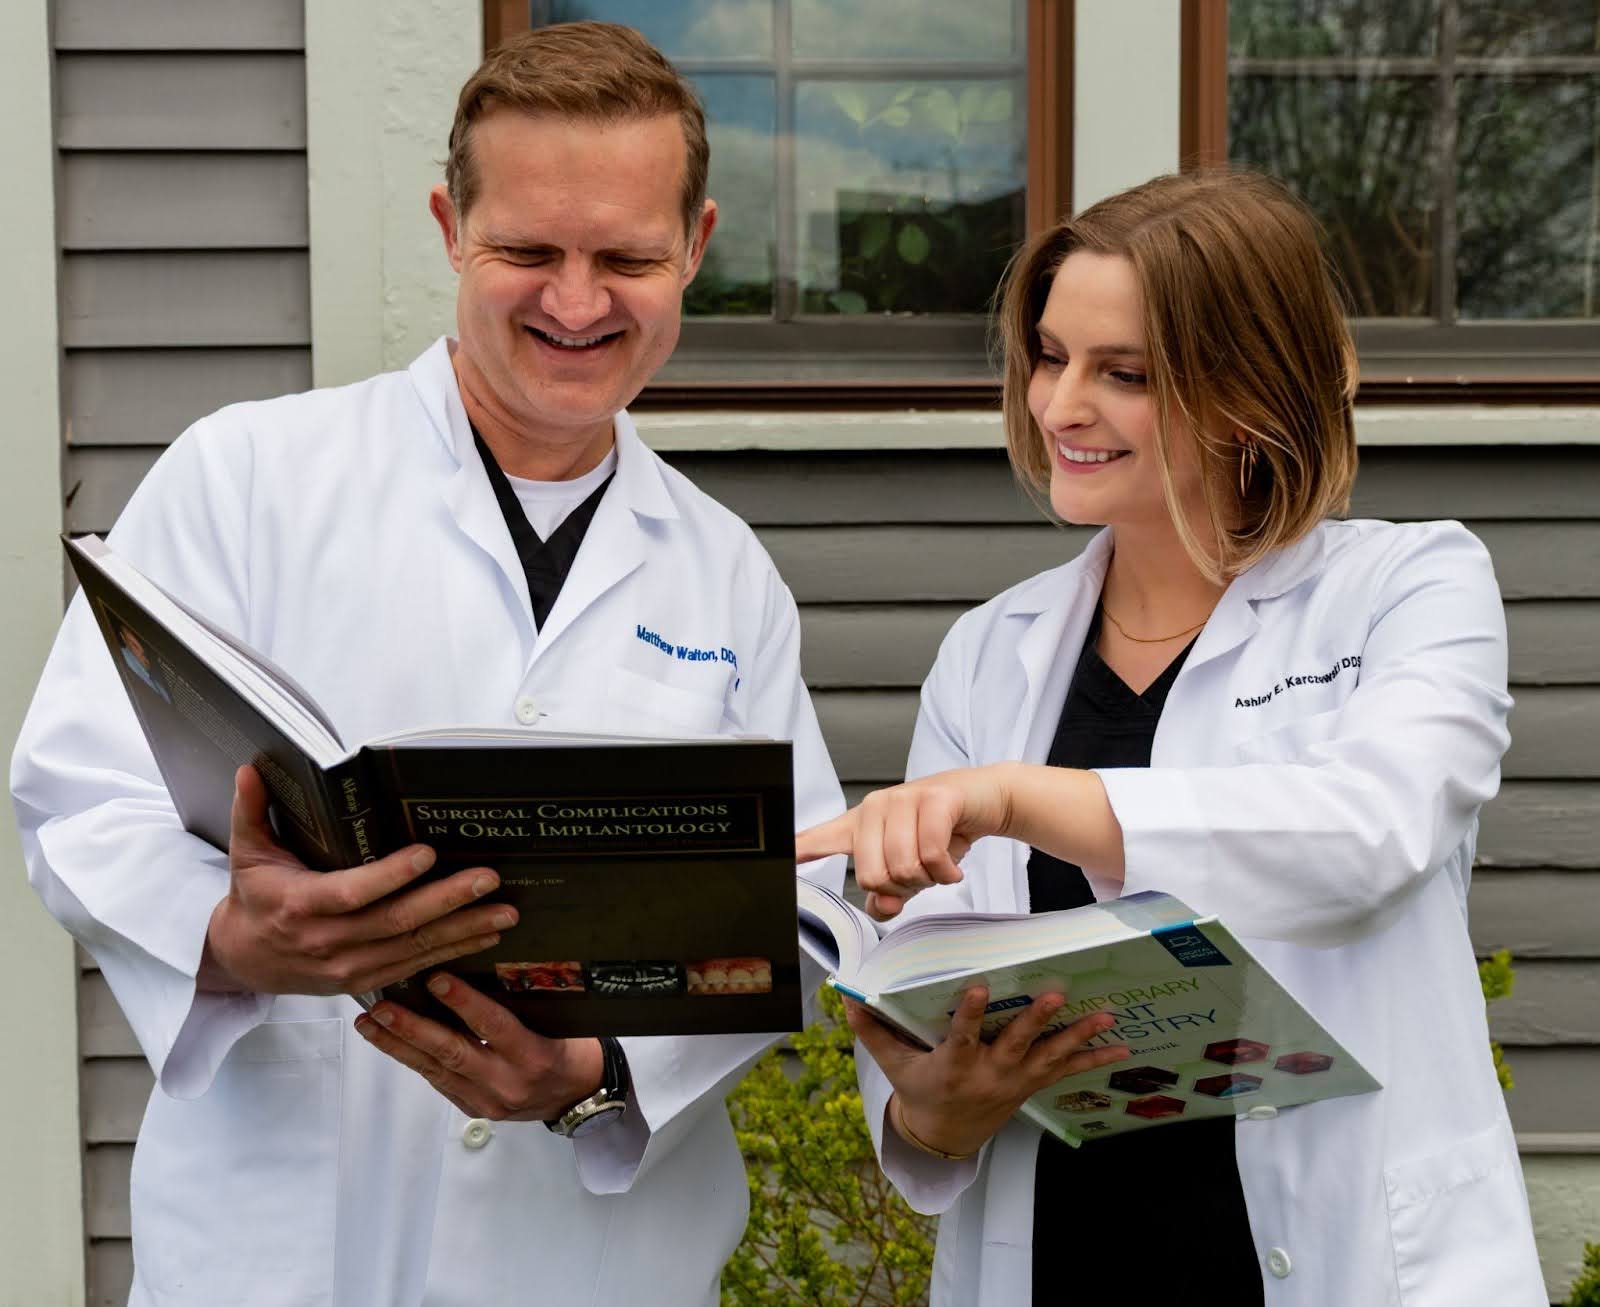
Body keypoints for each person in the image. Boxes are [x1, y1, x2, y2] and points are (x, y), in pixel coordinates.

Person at [11, 22, 844, 1307]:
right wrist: (231, 935)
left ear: (696, 244)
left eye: (625, 255)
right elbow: (78, 791)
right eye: (527, 250)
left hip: (593, 1259)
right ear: (452, 223)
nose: (576, 302)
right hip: (286, 1246)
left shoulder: (726, 573)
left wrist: (604, 1074)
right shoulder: (247, 478)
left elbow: (807, 905)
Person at [798, 171, 1547, 1306]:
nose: (1059, 406)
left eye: (1124, 374)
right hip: (1064, 1261)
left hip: (1332, 1262)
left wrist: (1011, 796)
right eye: (1050, 357)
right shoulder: (989, 650)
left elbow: (1361, 841)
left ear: (1251, 386)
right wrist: (928, 1110)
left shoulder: (1412, 585)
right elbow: (937, 982)